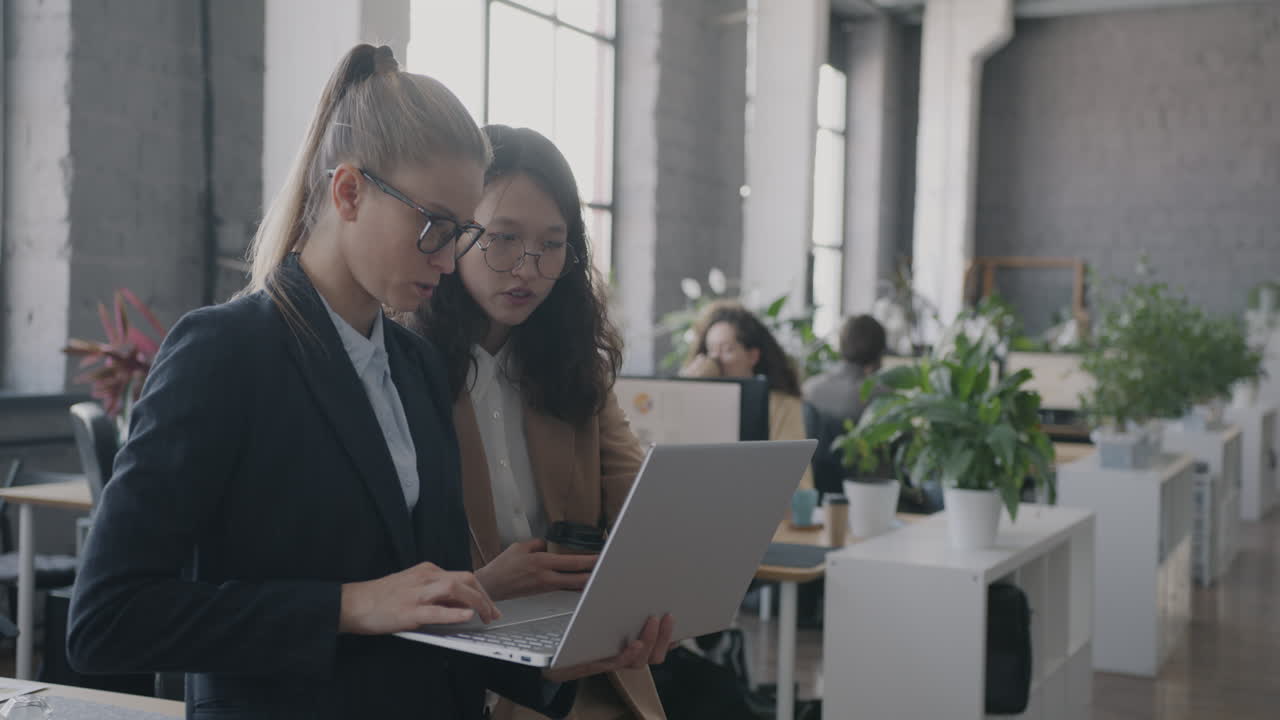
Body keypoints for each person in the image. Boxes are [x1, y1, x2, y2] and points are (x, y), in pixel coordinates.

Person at [67, 46, 669, 720]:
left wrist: (563, 662)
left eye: (462, 232)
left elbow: (436, 619)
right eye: (435, 227)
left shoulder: (413, 366)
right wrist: (347, 605)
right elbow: (106, 618)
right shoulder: (226, 352)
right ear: (348, 191)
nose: (449, 260)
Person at [411, 125, 666, 720]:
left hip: (580, 664)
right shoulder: (403, 366)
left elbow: (641, 507)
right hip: (460, 668)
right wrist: (488, 582)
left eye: (552, 245)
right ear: (454, 235)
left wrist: (645, 588)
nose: (527, 268)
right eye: (502, 239)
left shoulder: (573, 369)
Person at [680, 301, 812, 489]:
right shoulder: (701, 405)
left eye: (727, 350)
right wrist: (687, 388)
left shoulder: (781, 405)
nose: (715, 360)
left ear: (753, 356)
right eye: (710, 350)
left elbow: (800, 482)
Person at [802, 315, 888, 495]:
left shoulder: (809, 388)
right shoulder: (881, 395)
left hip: (815, 488)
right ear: (879, 352)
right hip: (866, 491)